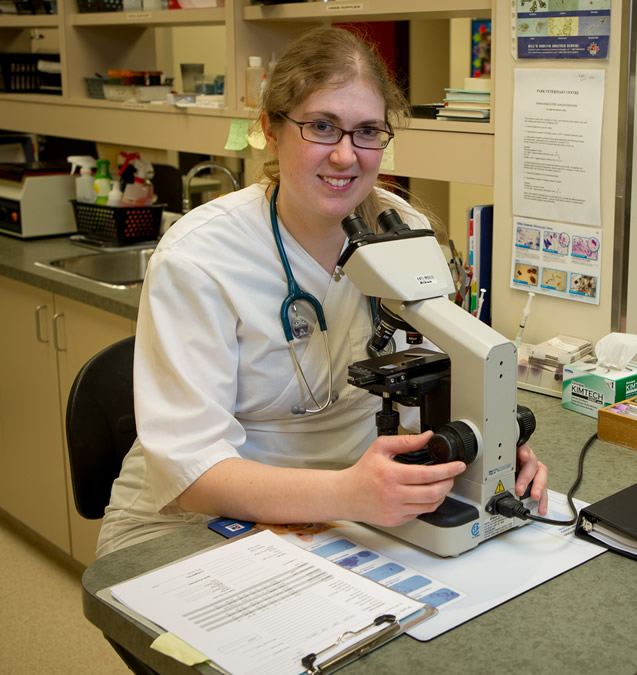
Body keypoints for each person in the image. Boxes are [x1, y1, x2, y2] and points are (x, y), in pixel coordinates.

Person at [97, 26, 548, 557]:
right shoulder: (200, 257)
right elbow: (191, 473)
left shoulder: (398, 226)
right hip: (197, 524)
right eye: (322, 127)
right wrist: (347, 494)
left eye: (367, 131)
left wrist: (486, 446)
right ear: (271, 128)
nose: (345, 156)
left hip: (351, 515)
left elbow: (428, 382)